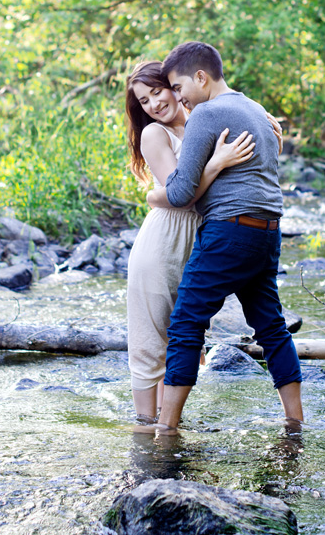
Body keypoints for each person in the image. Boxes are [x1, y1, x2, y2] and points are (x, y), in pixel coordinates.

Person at [143, 41, 303, 434]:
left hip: (229, 231)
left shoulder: (207, 114)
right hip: (267, 232)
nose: (178, 98)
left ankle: (167, 428)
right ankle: (296, 422)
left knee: (185, 322)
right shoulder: (253, 108)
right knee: (272, 327)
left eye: (179, 88)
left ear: (201, 77)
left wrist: (152, 194)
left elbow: (179, 193)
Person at [123, 60, 257, 423]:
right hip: (163, 243)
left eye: (157, 92)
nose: (153, 105)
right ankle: (144, 430)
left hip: (201, 240)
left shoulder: (205, 118)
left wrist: (268, 123)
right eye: (143, 101)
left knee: (186, 339)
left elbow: (242, 110)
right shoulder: (155, 134)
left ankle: (169, 426)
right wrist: (216, 164)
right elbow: (179, 194)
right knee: (151, 343)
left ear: (174, 86)